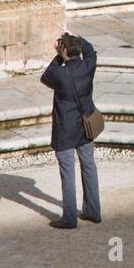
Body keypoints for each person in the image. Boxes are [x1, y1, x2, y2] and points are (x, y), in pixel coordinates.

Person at [39, 31, 102, 230]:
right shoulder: (87, 66)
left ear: (64, 50)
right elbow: (91, 52)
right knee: (89, 166)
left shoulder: (59, 73)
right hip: (85, 125)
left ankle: (69, 217)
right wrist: (78, 40)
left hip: (65, 129)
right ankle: (93, 211)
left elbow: (45, 77)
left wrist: (59, 56)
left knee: (68, 173)